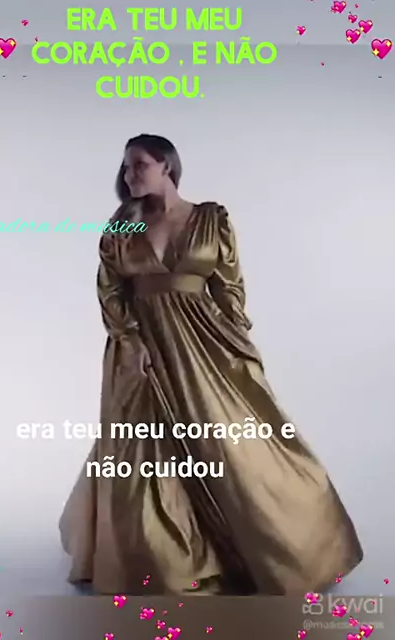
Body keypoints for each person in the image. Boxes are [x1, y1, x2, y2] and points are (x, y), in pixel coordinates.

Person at [59, 133, 363, 595]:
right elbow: (111, 289)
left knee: (231, 443)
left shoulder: (210, 218)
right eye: (125, 167)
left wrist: (236, 343)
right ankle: (167, 562)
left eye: (139, 164)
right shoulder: (122, 226)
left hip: (204, 343)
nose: (128, 174)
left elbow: (229, 287)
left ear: (166, 165)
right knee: (142, 453)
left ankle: (286, 549)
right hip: (140, 349)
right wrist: (130, 341)